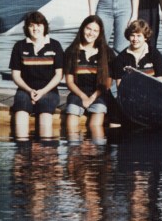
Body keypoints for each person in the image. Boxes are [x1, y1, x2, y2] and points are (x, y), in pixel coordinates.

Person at [9, 11, 64, 140]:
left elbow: (59, 74)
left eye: (39, 25)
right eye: (31, 25)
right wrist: (29, 90)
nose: (35, 29)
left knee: (45, 113)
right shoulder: (19, 46)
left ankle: (45, 152)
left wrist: (43, 91)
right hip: (25, 89)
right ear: (27, 28)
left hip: (49, 90)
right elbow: (16, 75)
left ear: (44, 26)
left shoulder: (55, 45)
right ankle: (22, 148)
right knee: (21, 112)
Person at [64, 15, 113, 140]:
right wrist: (83, 97)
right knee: (71, 127)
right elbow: (69, 81)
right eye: (88, 29)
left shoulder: (107, 52)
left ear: (100, 33)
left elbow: (107, 83)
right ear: (82, 29)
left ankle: (94, 157)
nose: (91, 33)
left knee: (96, 131)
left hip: (98, 94)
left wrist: (92, 98)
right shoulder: (71, 51)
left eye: (95, 30)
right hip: (77, 93)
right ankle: (75, 151)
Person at [111, 19, 162, 85]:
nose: (135, 39)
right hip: (129, 94)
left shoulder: (155, 55)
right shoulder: (121, 58)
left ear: (145, 37)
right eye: (132, 35)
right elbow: (119, 85)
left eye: (139, 36)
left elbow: (160, 83)